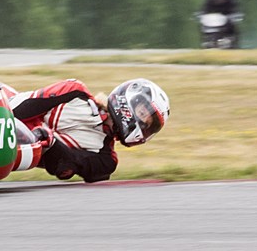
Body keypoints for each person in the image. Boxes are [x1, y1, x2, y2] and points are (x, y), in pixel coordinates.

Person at [9, 78, 170, 183]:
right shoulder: (75, 91)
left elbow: (64, 166)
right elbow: (20, 106)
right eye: (142, 113)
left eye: (147, 126)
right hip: (4, 114)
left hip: (13, 153)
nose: (142, 125)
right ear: (127, 100)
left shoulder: (106, 160)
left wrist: (50, 141)